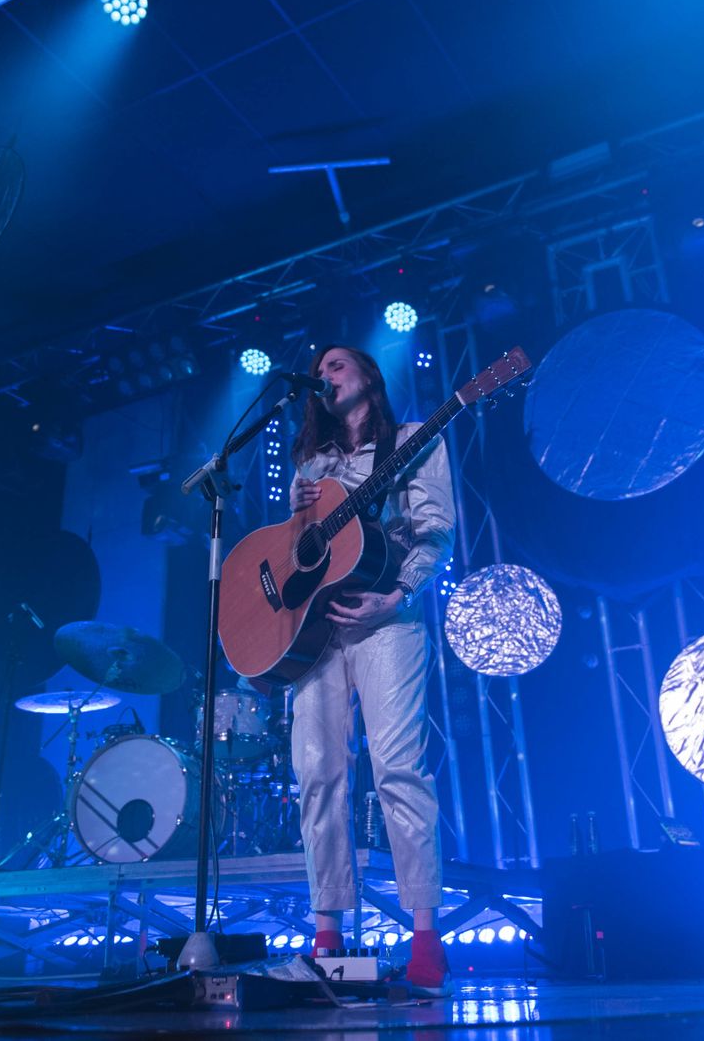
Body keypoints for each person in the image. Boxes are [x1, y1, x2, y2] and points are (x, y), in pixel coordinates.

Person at [287, 344, 456, 992]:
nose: (325, 373)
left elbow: (435, 529)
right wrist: (299, 515)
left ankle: (424, 936)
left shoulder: (413, 438)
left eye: (337, 363)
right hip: (318, 630)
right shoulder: (313, 463)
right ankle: (327, 933)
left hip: (387, 615)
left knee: (396, 767)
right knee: (318, 771)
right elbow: (302, 555)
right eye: (320, 370)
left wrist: (400, 593)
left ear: (367, 375)